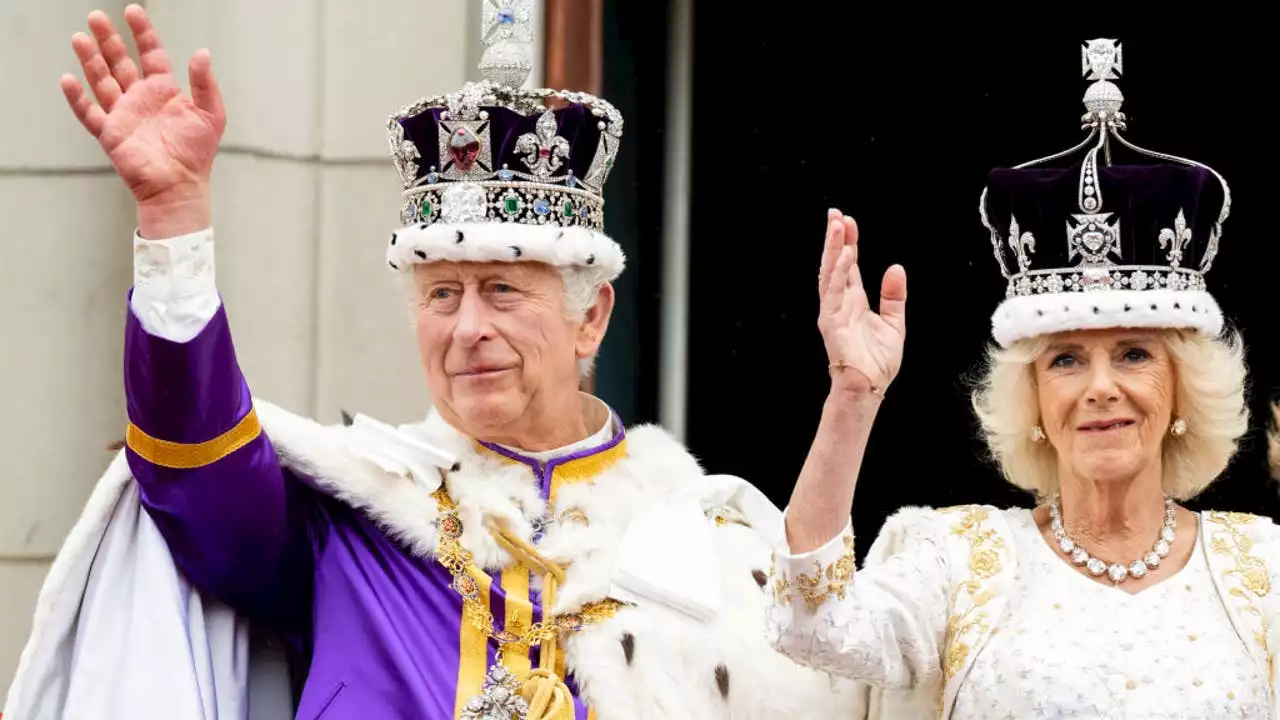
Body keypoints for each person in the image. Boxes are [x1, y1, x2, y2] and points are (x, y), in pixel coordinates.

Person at [3, 4, 856, 719]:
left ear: (591, 317)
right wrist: (176, 214)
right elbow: (195, 468)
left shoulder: (709, 542)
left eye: (502, 290)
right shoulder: (352, 517)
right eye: (440, 295)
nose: (466, 327)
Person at [764, 39, 1280, 718]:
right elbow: (810, 625)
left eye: (1134, 354)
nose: (1100, 386)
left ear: (1185, 387)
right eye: (1065, 359)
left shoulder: (1265, 569)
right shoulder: (958, 560)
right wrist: (853, 399)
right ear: (1032, 395)